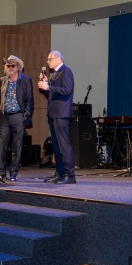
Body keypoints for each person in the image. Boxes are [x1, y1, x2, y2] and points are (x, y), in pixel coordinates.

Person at [0, 55, 34, 182]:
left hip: (18, 116)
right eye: (8, 65)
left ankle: (13, 172)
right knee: (1, 145)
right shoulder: (2, 80)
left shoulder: (26, 80)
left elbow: (29, 101)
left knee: (17, 146)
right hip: (4, 117)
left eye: (12, 65)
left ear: (18, 67)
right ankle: (0, 172)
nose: (10, 67)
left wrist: (25, 116)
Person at [37, 50, 76, 184]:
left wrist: (48, 87)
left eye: (50, 59)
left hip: (62, 114)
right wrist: (46, 86)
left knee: (64, 145)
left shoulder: (66, 71)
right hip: (53, 114)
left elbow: (67, 90)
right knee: (57, 146)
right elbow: (51, 96)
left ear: (58, 59)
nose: (48, 62)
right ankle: (60, 173)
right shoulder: (54, 75)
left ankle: (70, 176)